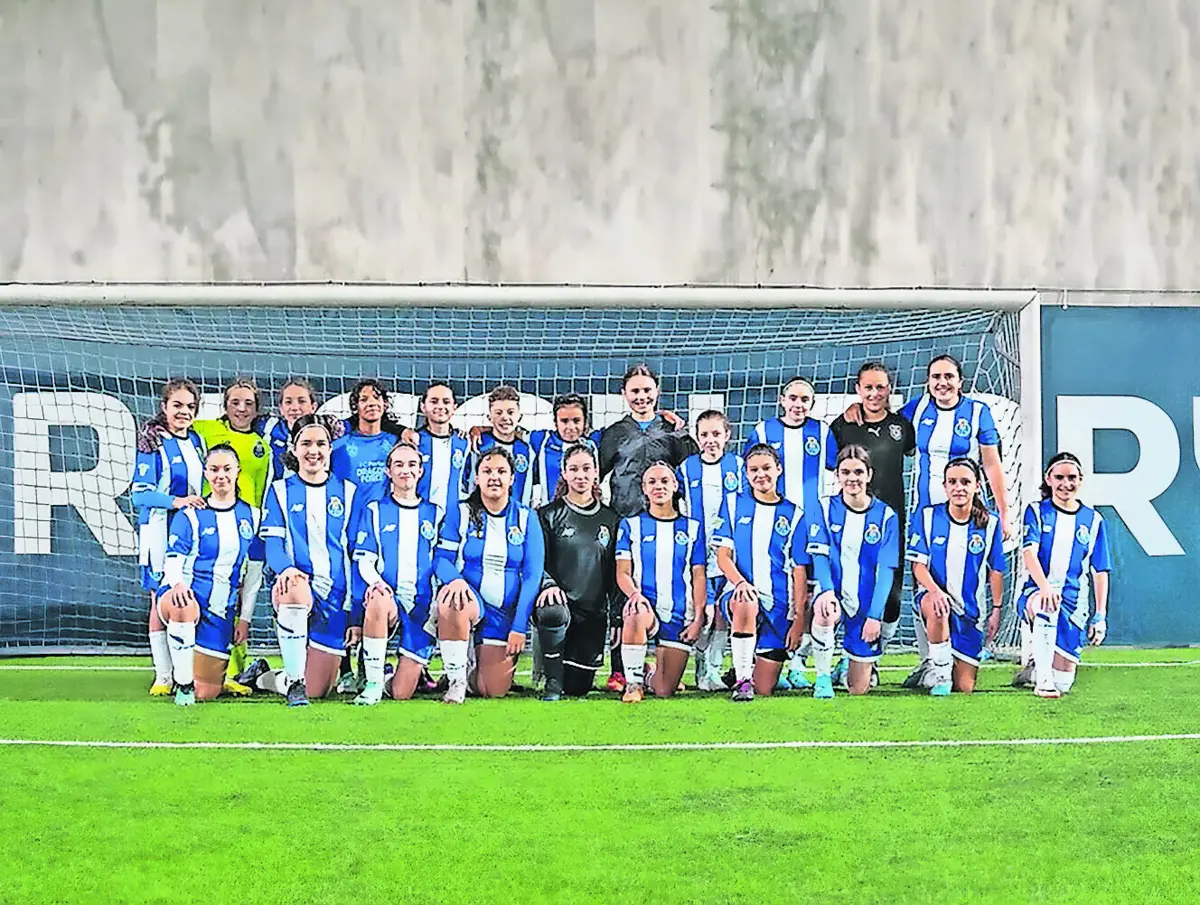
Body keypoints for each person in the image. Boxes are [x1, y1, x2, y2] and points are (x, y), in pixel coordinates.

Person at [843, 354, 1011, 688]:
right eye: (935, 377)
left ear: (960, 381)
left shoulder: (978, 413)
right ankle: (929, 663)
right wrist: (855, 413)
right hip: (926, 514)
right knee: (926, 585)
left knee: (960, 581)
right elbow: (881, 427)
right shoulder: (917, 410)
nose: (942, 383)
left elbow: (991, 465)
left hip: (965, 513)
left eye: (949, 377)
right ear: (928, 382)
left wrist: (1004, 513)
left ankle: (958, 653)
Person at [241, 416, 358, 706]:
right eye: (306, 443)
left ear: (330, 449)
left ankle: (262, 676)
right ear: (294, 449)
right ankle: (294, 684)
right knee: (294, 585)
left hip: (335, 596)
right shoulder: (280, 491)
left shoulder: (349, 492)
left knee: (319, 689)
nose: (313, 450)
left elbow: (356, 554)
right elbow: (274, 547)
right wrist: (288, 569)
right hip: (296, 587)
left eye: (320, 443)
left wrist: (355, 613)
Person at [598, 364, 697, 691]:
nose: (641, 397)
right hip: (625, 520)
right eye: (634, 391)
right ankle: (620, 670)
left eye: (646, 390)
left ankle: (665, 660)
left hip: (666, 522)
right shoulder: (614, 432)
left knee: (666, 586)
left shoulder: (669, 429)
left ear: (657, 392)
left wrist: (682, 431)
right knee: (621, 591)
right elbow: (595, 470)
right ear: (625, 395)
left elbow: (693, 464)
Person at [712, 444, 833, 702]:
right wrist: (740, 583)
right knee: (745, 600)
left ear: (778, 469)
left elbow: (799, 570)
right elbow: (723, 556)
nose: (760, 475)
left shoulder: (794, 514)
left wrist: (799, 620)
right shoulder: (733, 503)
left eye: (766, 468)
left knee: (765, 687)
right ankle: (743, 680)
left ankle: (743, 667)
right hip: (740, 593)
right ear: (746, 474)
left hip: (778, 605)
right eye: (753, 470)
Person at [433, 446, 545, 703]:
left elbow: (532, 575)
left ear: (512, 479)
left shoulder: (527, 518)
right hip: (470, 601)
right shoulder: (460, 512)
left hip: (503, 613)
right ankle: (456, 681)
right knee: (453, 598)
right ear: (476, 478)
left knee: (492, 690)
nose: (494, 477)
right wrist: (456, 580)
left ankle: (469, 661)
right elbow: (441, 559)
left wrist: (519, 627)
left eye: (501, 471)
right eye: (487, 471)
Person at [186, 377, 272, 693]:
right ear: (225, 405)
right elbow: (177, 425)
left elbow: (262, 488)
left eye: (248, 403)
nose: (241, 408)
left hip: (247, 526)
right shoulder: (206, 429)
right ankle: (175, 671)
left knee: (241, 587)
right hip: (211, 523)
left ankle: (238, 667)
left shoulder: (261, 444)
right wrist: (154, 430)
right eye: (235, 402)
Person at [157, 445, 258, 705]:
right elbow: (173, 560)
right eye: (214, 469)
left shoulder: (252, 516)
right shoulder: (190, 514)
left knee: (208, 693)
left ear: (238, 472)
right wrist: (177, 583)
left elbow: (254, 575)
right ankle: (183, 684)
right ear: (205, 473)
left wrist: (244, 619)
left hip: (220, 612)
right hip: (187, 596)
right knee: (182, 604)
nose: (220, 475)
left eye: (227, 469)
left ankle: (208, 678)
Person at [829, 362, 915, 655]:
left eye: (881, 387)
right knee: (848, 586)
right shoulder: (842, 426)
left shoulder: (902, 426)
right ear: (858, 389)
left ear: (890, 389)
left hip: (890, 521)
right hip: (849, 521)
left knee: (889, 593)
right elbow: (830, 469)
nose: (874, 393)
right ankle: (842, 656)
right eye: (868, 387)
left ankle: (876, 651)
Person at [350, 441, 443, 705]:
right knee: (377, 598)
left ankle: (392, 677)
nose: (406, 470)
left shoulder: (435, 513)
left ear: (421, 471)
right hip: (389, 600)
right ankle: (373, 684)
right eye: (399, 465)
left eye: (412, 464)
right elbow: (365, 560)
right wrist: (378, 583)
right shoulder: (375, 510)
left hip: (421, 605)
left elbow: (441, 561)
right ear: (388, 471)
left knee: (402, 693)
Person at [132, 378, 206, 696]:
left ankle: (185, 671)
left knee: (187, 595)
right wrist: (177, 501)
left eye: (190, 407)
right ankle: (163, 675)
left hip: (191, 530)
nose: (183, 412)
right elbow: (139, 494)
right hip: (160, 529)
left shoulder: (198, 440)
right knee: (159, 599)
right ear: (164, 407)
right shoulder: (153, 442)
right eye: (177, 405)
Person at [907, 458, 1006, 695]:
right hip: (934, 599)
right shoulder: (928, 516)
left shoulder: (991, 524)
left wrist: (996, 609)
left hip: (970, 612)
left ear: (977, 486)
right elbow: (918, 566)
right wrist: (934, 590)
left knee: (965, 687)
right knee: (937, 606)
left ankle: (930, 671)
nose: (958, 488)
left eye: (965, 482)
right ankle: (940, 676)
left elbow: (996, 570)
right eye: (952, 482)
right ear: (944, 486)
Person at [1017, 452, 1111, 698]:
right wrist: (1045, 587)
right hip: (1036, 593)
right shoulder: (1036, 511)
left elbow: (1100, 571)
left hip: (1074, 602)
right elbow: (1029, 553)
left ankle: (1037, 671)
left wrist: (1100, 615)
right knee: (1046, 604)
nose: (1065, 484)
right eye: (1059, 477)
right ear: (1048, 479)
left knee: (1065, 682)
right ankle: (1043, 683)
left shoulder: (1094, 520)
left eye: (1072, 478)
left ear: (1081, 480)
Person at [615, 463, 707, 702]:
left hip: (678, 613)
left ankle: (648, 674)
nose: (659, 486)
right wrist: (635, 595)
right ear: (644, 488)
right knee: (635, 613)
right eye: (652, 482)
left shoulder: (693, 528)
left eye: (665, 481)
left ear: (675, 486)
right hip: (647, 608)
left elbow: (698, 575)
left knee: (665, 689)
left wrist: (698, 617)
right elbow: (622, 572)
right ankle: (633, 684)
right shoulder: (631, 525)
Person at [536, 443, 620, 698]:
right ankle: (550, 680)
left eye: (586, 469)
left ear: (596, 472)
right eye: (573, 469)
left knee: (576, 689)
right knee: (552, 610)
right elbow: (536, 562)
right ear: (563, 472)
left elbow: (615, 575)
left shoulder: (611, 519)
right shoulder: (548, 515)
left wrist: (616, 617)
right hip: (558, 608)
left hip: (592, 615)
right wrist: (548, 584)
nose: (580, 475)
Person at [817, 446, 901, 697]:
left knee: (858, 690)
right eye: (845, 472)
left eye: (858, 472)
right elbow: (819, 556)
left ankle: (847, 663)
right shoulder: (823, 508)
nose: (852, 478)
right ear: (837, 475)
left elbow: (886, 571)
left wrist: (875, 616)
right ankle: (821, 677)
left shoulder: (886, 515)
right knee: (823, 609)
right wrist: (828, 592)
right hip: (834, 597)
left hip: (864, 605)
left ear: (869, 475)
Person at [676, 410, 743, 691]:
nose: (711, 440)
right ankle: (698, 665)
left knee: (721, 615)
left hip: (728, 555)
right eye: (704, 434)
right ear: (696, 437)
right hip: (698, 555)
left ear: (727, 435)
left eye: (716, 434)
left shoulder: (738, 465)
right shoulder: (686, 468)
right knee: (700, 613)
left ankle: (713, 668)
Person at [744, 377, 837, 516]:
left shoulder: (822, 430)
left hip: (812, 512)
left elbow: (838, 467)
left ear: (812, 403)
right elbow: (748, 470)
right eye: (793, 398)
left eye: (804, 399)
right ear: (782, 400)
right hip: (773, 510)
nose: (798, 404)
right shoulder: (763, 430)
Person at [330, 379, 406, 491]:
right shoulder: (340, 445)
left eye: (376, 397)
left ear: (384, 404)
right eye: (364, 400)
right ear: (356, 406)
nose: (371, 403)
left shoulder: (396, 443)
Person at [531, 393, 603, 507]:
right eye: (564, 421)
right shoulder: (542, 440)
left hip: (586, 512)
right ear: (555, 422)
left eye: (576, 420)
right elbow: (511, 435)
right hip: (550, 515)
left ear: (585, 422)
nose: (571, 427)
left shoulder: (593, 443)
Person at [413, 382, 472, 513]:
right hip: (420, 516)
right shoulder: (414, 442)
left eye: (446, 402)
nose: (440, 406)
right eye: (434, 401)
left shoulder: (464, 442)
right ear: (423, 407)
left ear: (454, 407)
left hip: (453, 519)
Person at [475, 385, 535, 506]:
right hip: (482, 515)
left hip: (517, 518)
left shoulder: (528, 450)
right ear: (489, 417)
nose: (505, 417)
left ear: (520, 417)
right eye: (498, 413)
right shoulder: (478, 444)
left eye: (510, 412)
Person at [261, 378, 320, 479]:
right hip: (274, 493)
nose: (295, 407)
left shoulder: (323, 433)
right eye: (288, 402)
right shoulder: (269, 427)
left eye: (302, 401)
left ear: (313, 407)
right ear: (281, 408)